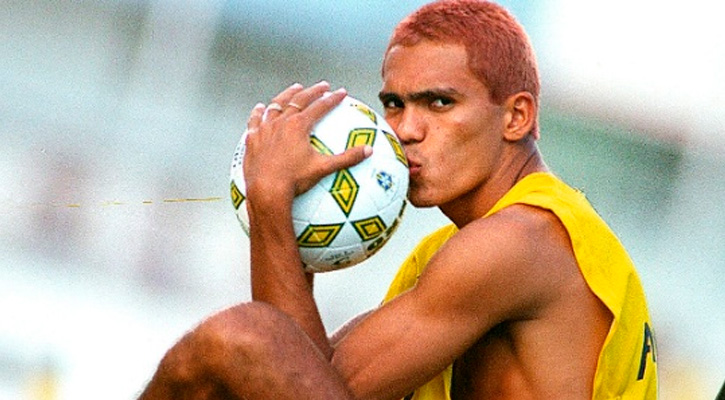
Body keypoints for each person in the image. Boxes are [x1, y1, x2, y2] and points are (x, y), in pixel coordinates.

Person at [139, 1, 658, 399]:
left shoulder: (520, 241)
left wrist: (274, 201)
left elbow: (308, 378)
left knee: (241, 337)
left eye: (439, 102)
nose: (407, 130)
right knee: (220, 359)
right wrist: (296, 228)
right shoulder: (465, 245)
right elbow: (305, 372)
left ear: (516, 117)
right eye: (394, 104)